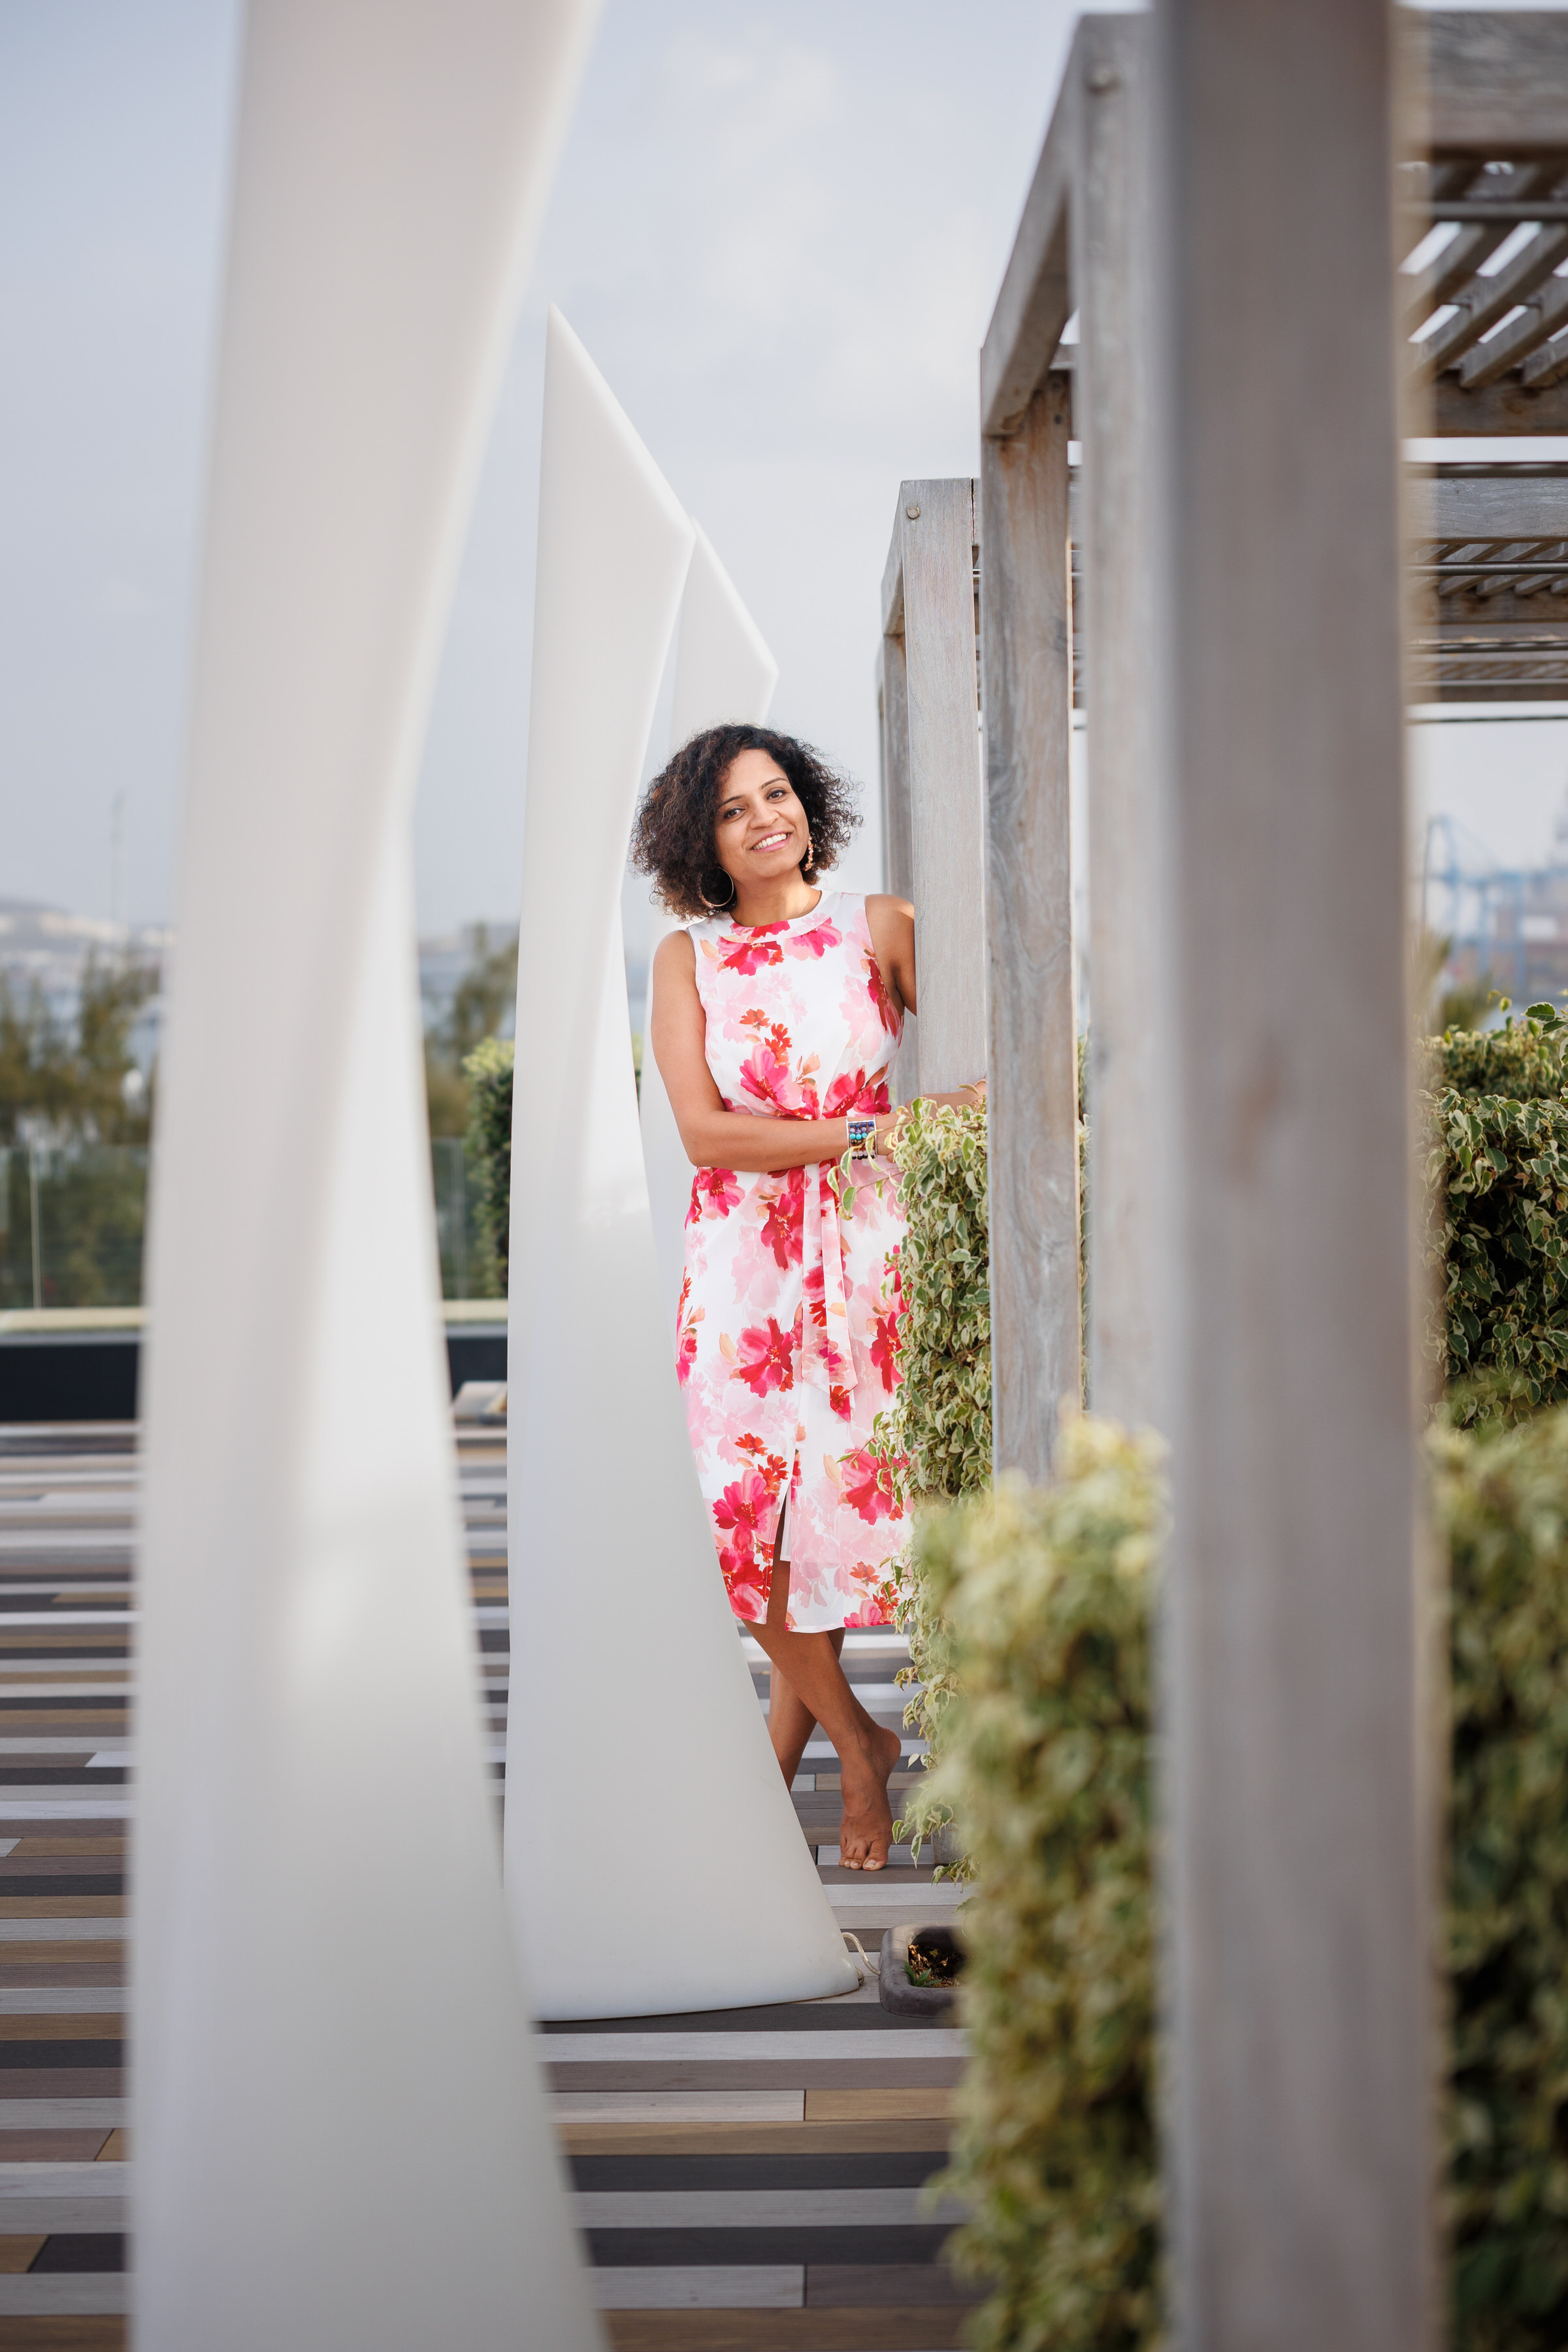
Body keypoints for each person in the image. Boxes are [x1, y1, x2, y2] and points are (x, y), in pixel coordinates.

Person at [632, 724, 982, 1870]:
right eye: (734, 811)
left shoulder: (878, 927)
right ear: (706, 842)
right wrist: (870, 1128)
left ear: (806, 806)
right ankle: (858, 1743)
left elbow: (989, 1054)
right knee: (744, 1517)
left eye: (775, 794)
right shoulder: (688, 961)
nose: (763, 819)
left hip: (876, 1251)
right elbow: (704, 1133)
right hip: (743, 1260)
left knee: (831, 1505)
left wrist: (938, 1127)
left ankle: (797, 1771)